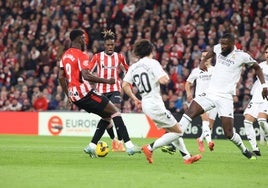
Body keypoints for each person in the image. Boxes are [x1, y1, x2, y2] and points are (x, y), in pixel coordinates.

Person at [177, 33, 268, 160]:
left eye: (225, 44)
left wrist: (264, 86)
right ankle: (175, 136)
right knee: (190, 112)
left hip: (225, 97)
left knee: (229, 133)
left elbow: (257, 68)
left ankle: (244, 150)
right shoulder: (218, 48)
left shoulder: (242, 56)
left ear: (232, 43)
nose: (223, 46)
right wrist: (203, 61)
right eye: (222, 43)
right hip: (210, 93)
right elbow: (211, 51)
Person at [58, 29, 140, 158]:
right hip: (86, 94)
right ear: (79, 39)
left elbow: (61, 77)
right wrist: (107, 81)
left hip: (75, 96)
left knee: (107, 117)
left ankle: (91, 146)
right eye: (84, 38)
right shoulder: (82, 55)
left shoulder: (65, 55)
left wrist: (68, 95)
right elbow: (86, 75)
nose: (85, 41)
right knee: (115, 112)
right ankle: (128, 145)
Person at [122, 39, 201, 164]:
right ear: (151, 50)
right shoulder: (153, 63)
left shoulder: (133, 67)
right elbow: (164, 80)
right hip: (155, 104)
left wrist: (135, 98)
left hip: (146, 103)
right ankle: (149, 148)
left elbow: (125, 85)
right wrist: (166, 76)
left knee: (172, 130)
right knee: (179, 131)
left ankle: (187, 158)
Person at [162, 51, 217, 154]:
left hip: (213, 101)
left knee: (209, 126)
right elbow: (188, 83)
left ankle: (197, 140)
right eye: (203, 56)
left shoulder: (215, 71)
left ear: (210, 59)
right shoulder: (197, 71)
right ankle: (209, 142)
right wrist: (188, 93)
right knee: (202, 120)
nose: (205, 58)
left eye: (207, 57)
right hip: (200, 101)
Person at [89, 30, 129, 152]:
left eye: (112, 45)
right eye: (108, 45)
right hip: (101, 90)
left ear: (114, 45)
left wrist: (127, 83)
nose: (110, 47)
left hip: (115, 89)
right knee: (107, 117)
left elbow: (128, 70)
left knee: (115, 109)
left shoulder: (120, 57)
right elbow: (88, 71)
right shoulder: (97, 57)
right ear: (104, 45)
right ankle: (114, 141)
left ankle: (121, 142)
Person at [243, 44, 268, 156]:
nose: (267, 54)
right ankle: (256, 149)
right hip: (256, 97)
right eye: (266, 52)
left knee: (262, 121)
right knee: (247, 122)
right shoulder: (260, 65)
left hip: (266, 98)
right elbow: (251, 64)